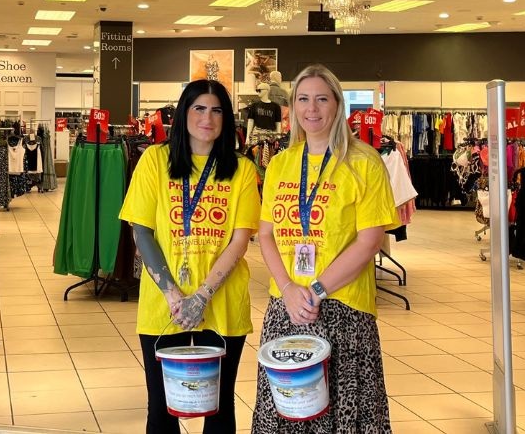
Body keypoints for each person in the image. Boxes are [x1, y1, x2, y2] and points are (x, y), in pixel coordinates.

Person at [252, 64, 399, 433]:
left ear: (337, 105)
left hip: (343, 310)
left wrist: (316, 291)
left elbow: (370, 241)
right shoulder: (280, 164)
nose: (311, 109)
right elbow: (266, 234)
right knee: (285, 414)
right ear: (293, 107)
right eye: (303, 99)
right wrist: (288, 289)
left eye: (321, 99)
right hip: (286, 307)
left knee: (345, 415)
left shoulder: (365, 162)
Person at [120, 79, 263, 434]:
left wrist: (202, 295)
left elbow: (240, 239)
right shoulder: (154, 160)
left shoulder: (242, 169)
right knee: (163, 408)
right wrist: (173, 294)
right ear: (183, 113)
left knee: (218, 407)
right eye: (199, 108)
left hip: (223, 301)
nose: (207, 118)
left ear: (226, 119)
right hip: (164, 306)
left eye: (217, 110)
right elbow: (141, 231)